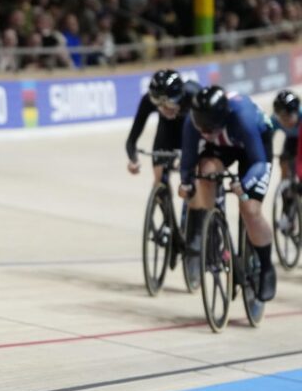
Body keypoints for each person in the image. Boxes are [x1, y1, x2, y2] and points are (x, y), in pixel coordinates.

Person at [179, 86, 276, 301]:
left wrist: (246, 183)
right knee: (206, 172)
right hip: (224, 145)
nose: (204, 133)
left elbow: (259, 162)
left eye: (209, 129)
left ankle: (267, 267)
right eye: (201, 128)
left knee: (250, 209)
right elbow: (187, 160)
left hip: (255, 147)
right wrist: (185, 183)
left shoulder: (243, 117)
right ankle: (214, 228)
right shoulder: (194, 120)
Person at [126, 69, 201, 184]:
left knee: (194, 180)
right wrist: (133, 159)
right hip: (166, 132)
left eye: (169, 103)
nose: (165, 109)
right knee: (159, 179)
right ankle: (162, 196)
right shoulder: (148, 100)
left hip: (190, 131)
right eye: (159, 105)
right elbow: (131, 140)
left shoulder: (194, 95)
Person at [271, 89, 301, 180]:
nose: (286, 122)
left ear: (296, 112)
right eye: (283, 119)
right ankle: (285, 183)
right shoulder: (275, 120)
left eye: (289, 117)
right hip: (291, 139)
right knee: (283, 160)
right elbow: (268, 138)